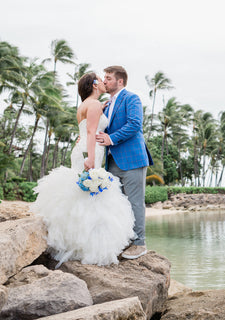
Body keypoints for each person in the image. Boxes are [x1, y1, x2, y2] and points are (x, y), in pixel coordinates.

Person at [31, 72, 135, 268]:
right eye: (101, 79)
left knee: (82, 195)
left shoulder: (87, 104)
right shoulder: (94, 104)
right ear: (95, 84)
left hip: (84, 149)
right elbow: (90, 131)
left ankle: (76, 242)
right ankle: (91, 247)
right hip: (90, 151)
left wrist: (101, 108)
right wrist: (91, 158)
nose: (104, 82)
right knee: (92, 197)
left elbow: (88, 126)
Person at [96, 66, 153, 260]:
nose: (105, 81)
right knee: (118, 204)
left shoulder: (132, 98)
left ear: (120, 81)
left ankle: (139, 244)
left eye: (109, 78)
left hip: (132, 159)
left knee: (135, 202)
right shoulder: (107, 104)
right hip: (111, 161)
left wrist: (110, 139)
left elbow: (134, 124)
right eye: (104, 77)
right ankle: (124, 241)